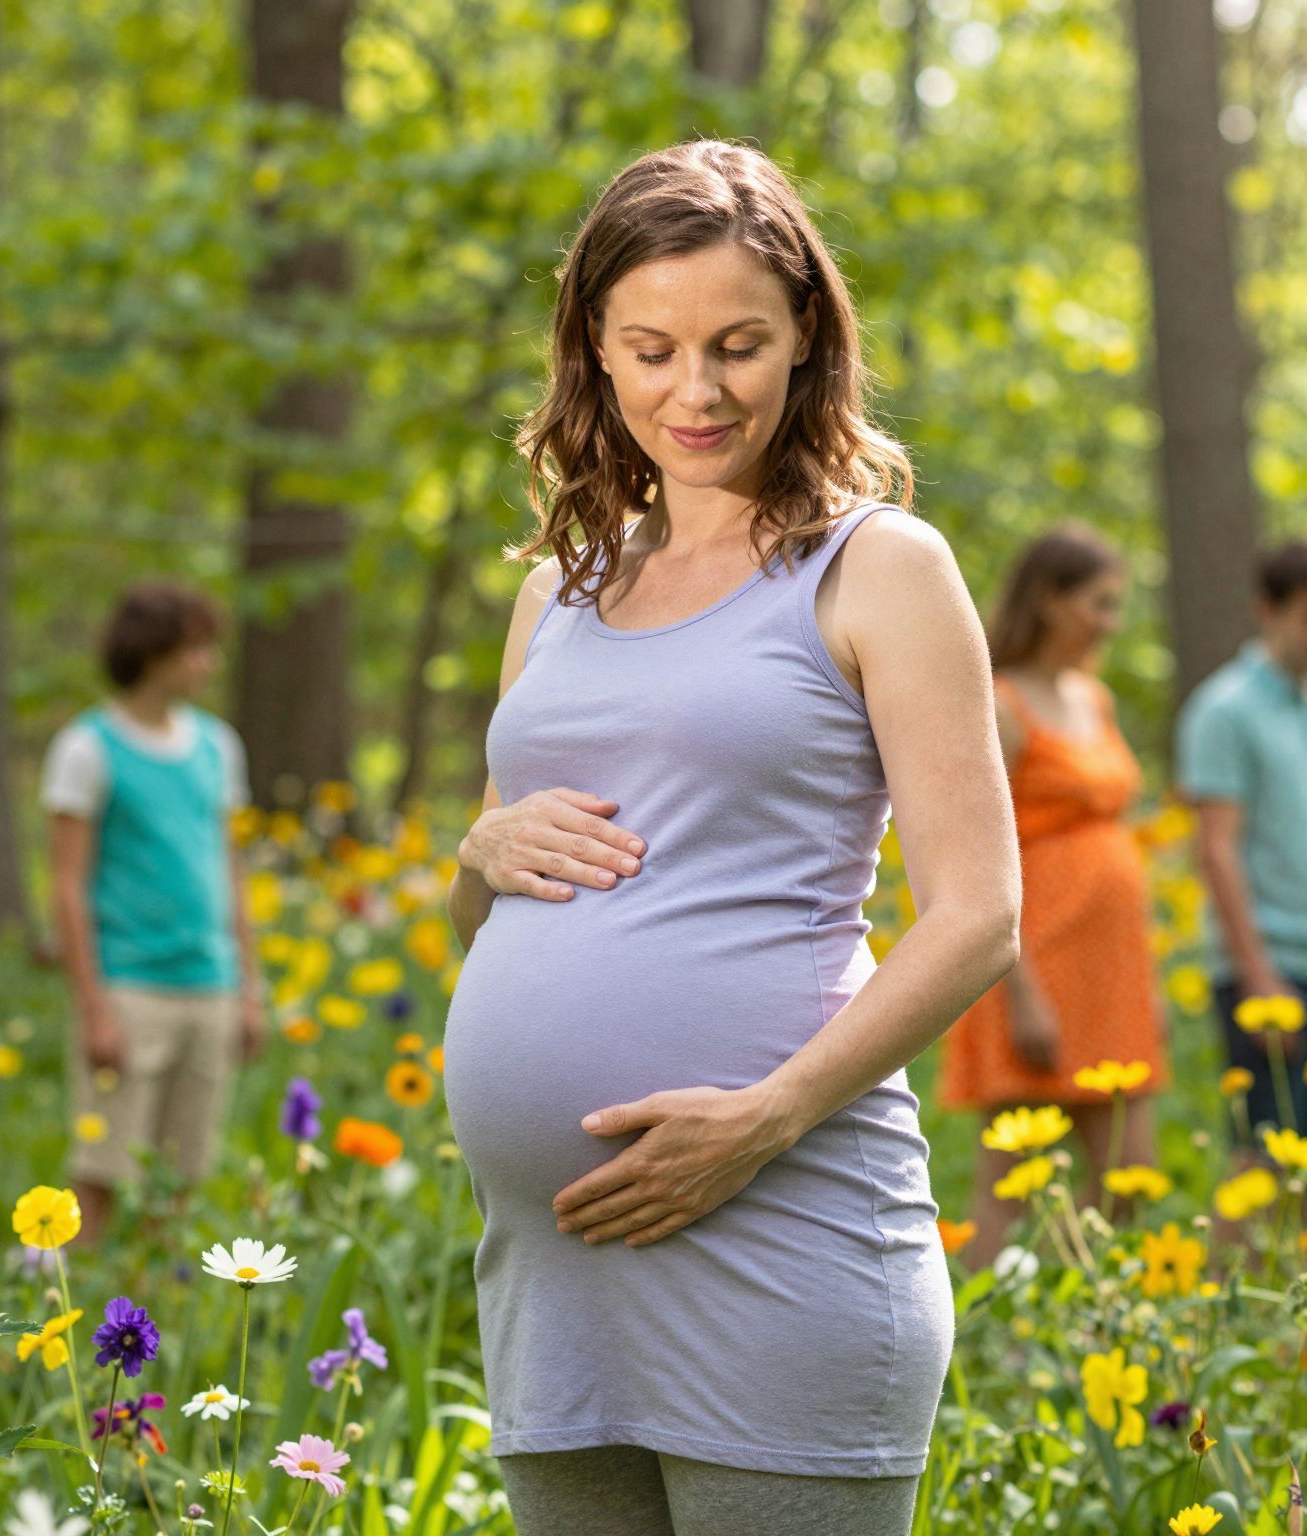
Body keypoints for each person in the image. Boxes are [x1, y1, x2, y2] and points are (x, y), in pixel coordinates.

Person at [440, 140, 1020, 1536]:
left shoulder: (876, 567)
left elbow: (980, 915)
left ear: (807, 336)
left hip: (780, 1233)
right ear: (592, 347)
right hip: (558, 1277)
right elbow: (497, 914)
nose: (694, 392)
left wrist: (764, 1119)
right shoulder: (560, 592)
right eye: (650, 348)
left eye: (737, 346)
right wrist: (476, 858)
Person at [938, 526, 1164, 1265]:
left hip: (1112, 969)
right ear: (1048, 599)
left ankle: (1087, 1315)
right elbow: (970, 849)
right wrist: (1017, 989)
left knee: (1128, 1173)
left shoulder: (1092, 699)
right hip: (1037, 959)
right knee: (1014, 1177)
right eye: (1098, 604)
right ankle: (986, 1342)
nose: (1110, 622)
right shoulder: (1000, 703)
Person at [42, 583, 264, 1241]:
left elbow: (231, 873)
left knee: (183, 1179)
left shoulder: (217, 747)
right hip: (128, 987)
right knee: (102, 1174)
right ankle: (74, 1308)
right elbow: (66, 887)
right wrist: (93, 1008)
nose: (207, 663)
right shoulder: (85, 749)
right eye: (193, 648)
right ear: (150, 653)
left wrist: (250, 992)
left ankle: (156, 1323)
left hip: (210, 988)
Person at [1176, 541, 1307, 1148]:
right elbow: (1217, 850)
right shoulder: (1223, 711)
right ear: (1267, 609)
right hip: (1273, 973)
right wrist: (1257, 975)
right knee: (1260, 1165)